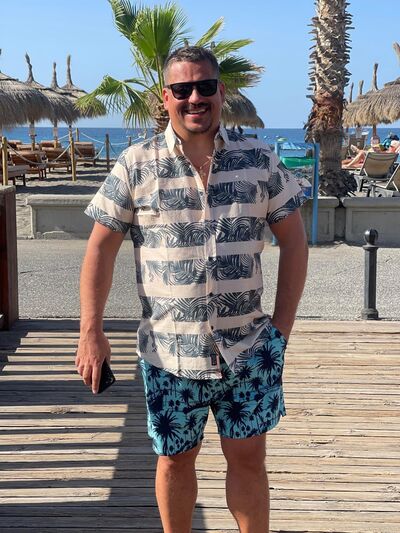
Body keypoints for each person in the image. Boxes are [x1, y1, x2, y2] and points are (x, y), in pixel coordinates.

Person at [75, 45, 308, 533]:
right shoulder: (136, 164)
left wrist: (281, 331)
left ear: (221, 92)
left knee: (249, 461)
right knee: (175, 461)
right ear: (166, 98)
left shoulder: (259, 159)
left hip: (248, 350)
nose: (194, 97)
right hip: (168, 353)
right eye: (182, 89)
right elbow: (99, 249)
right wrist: (90, 332)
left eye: (205, 86)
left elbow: (294, 240)